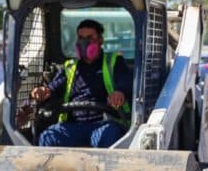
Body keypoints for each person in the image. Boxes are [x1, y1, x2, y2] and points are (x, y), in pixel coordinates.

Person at [31, 19, 132, 148]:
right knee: (48, 136)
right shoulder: (70, 67)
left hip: (103, 124)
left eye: (89, 37)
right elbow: (54, 87)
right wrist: (44, 92)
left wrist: (119, 92)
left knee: (110, 134)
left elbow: (125, 79)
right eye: (81, 38)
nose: (84, 42)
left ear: (100, 40)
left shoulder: (114, 62)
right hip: (73, 126)